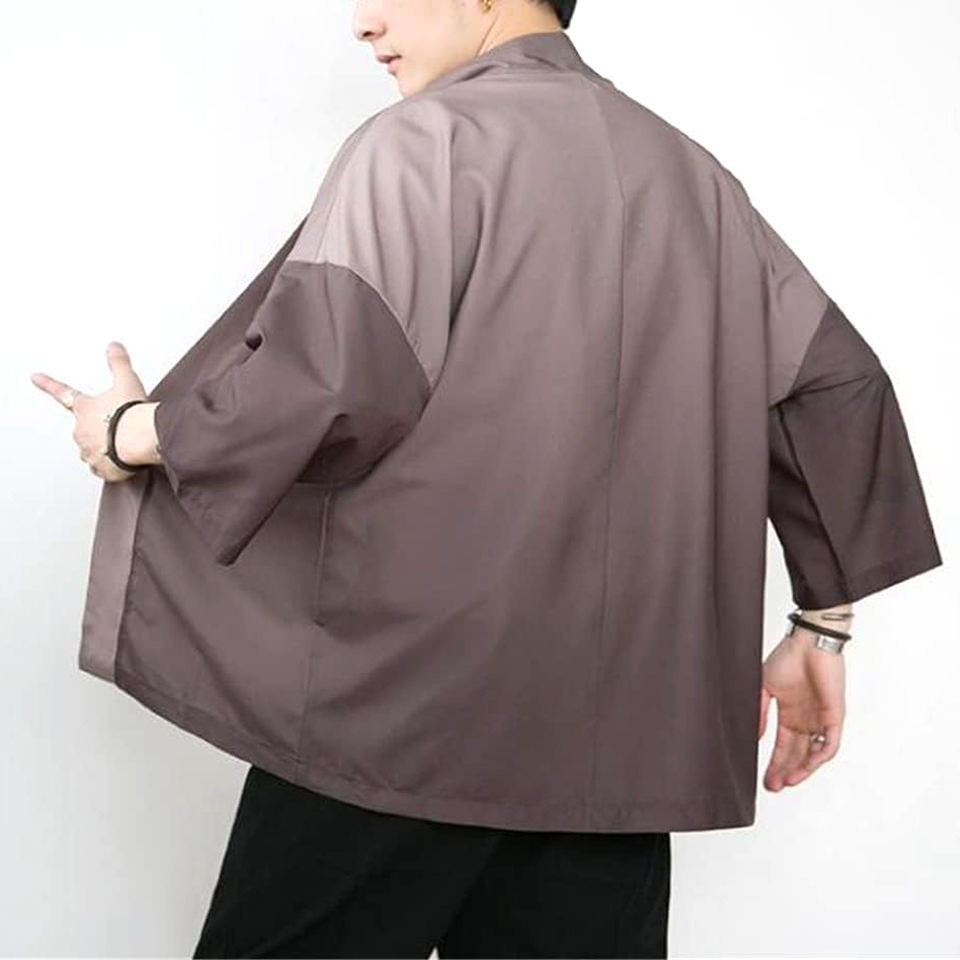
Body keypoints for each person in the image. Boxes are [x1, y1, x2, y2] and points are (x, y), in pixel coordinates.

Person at [31, 0, 942, 956]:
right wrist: (822, 626)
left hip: (396, 724)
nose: (362, 23)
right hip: (610, 758)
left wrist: (133, 430)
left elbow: (329, 383)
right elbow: (834, 386)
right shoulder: (698, 181)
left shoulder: (421, 143)